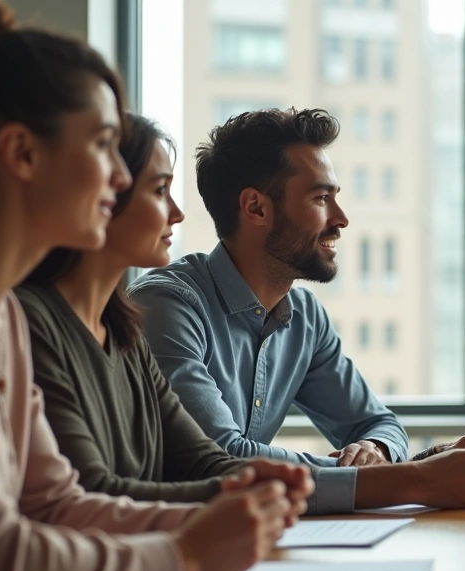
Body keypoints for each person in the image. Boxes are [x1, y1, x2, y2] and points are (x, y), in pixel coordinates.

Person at [0, 1, 310, 571]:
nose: (119, 176)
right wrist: (187, 553)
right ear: (21, 153)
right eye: (101, 146)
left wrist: (226, 520)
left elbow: (54, 505)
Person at [129, 107, 465, 513]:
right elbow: (221, 458)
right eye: (321, 198)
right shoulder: (167, 306)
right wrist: (411, 478)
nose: (341, 219)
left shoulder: (305, 318)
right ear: (256, 208)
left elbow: (378, 425)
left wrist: (376, 451)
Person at [16, 112, 294, 503]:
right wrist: (253, 493)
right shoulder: (29, 324)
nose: (176, 213)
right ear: (107, 194)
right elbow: (91, 493)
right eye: (160, 190)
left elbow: (203, 461)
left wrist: (281, 482)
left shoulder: (125, 330)